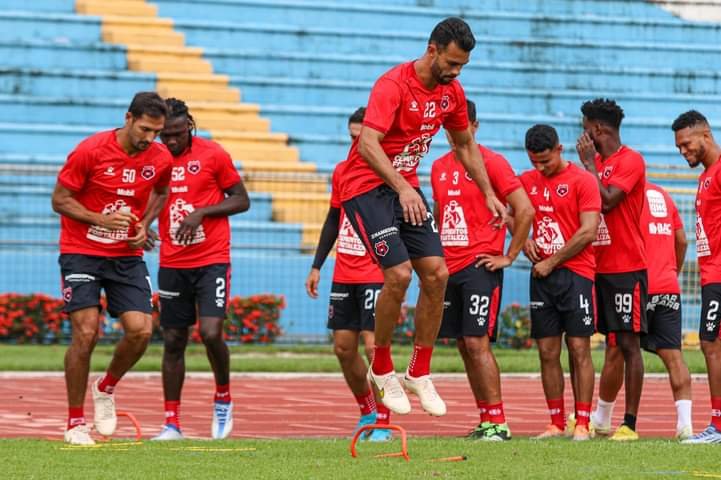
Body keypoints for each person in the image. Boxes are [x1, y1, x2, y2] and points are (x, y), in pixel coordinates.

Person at [340, 17, 506, 417]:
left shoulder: (452, 92)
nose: (455, 72)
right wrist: (402, 187)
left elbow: (465, 144)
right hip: (366, 187)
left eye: (462, 66)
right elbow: (367, 144)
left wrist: (488, 193)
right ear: (432, 50)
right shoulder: (392, 85)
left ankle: (418, 371)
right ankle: (382, 369)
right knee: (398, 274)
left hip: (404, 188)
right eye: (451, 63)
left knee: (437, 274)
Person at [51, 92, 172, 445]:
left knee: (141, 330)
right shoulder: (89, 151)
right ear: (128, 118)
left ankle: (105, 387)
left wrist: (143, 225)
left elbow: (161, 193)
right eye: (146, 129)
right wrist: (99, 219)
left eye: (157, 132)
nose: (150, 138)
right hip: (81, 252)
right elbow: (59, 200)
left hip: (125, 255)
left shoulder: (160, 157)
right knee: (86, 333)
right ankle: (75, 423)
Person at [145, 98, 250, 441]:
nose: (171, 142)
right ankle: (171, 423)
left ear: (189, 125)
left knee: (210, 332)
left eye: (176, 134)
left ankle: (223, 397)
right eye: (165, 136)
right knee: (173, 339)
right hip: (173, 262)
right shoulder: (152, 158)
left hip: (211, 259)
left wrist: (202, 212)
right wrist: (143, 225)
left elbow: (241, 199)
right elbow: (143, 198)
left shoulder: (213, 154)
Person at [430, 100, 534, 441]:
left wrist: (509, 255)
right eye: (448, 128)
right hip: (449, 268)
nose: (453, 134)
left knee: (477, 342)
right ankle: (485, 419)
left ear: (474, 126)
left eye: (460, 127)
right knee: (462, 343)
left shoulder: (492, 162)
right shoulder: (439, 167)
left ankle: (498, 422)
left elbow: (525, 210)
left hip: (480, 265)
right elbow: (440, 212)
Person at [305, 107, 391, 442]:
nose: (357, 143)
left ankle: (383, 419)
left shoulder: (387, 171)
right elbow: (333, 220)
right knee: (343, 348)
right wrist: (317, 266)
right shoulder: (342, 171)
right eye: (352, 137)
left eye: (362, 137)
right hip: (344, 272)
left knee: (374, 346)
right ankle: (367, 410)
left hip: (376, 271)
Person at [585, 181, 693, 440]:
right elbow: (682, 239)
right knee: (674, 356)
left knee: (617, 350)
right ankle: (685, 426)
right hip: (667, 284)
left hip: (634, 283)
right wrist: (670, 273)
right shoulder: (663, 194)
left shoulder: (623, 199)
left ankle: (602, 418)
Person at [520, 124, 600, 441]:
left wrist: (552, 261)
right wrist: (522, 236)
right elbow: (508, 212)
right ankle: (555, 422)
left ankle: (582, 422)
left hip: (575, 275)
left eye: (545, 161)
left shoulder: (583, 181)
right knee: (547, 350)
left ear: (559, 149)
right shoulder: (525, 182)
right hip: (541, 277)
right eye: (534, 162)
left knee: (578, 347)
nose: (540, 168)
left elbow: (588, 231)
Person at [577, 98, 647, 441]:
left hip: (626, 267)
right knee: (606, 344)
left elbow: (606, 200)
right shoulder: (597, 163)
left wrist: (589, 163)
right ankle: (598, 419)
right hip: (596, 268)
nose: (582, 135)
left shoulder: (629, 161)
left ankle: (629, 423)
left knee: (629, 344)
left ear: (598, 129)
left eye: (585, 128)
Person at [672, 110, 721, 443]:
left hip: (719, 273)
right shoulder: (706, 176)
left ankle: (717, 425)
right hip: (710, 273)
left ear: (705, 134)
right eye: (678, 147)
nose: (683, 151)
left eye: (686, 143)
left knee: (710, 344)